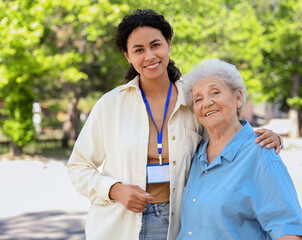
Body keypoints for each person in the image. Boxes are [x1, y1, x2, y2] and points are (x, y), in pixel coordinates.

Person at [67, 9, 282, 240]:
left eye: (155, 45)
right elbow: (78, 167)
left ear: (168, 43)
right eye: (138, 50)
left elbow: (226, 141)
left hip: (177, 224)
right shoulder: (110, 105)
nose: (149, 56)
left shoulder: (193, 100)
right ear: (127, 56)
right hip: (118, 224)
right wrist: (114, 189)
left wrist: (270, 139)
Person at [176, 58, 302, 240]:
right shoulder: (196, 153)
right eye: (198, 99)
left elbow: (289, 230)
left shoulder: (261, 153)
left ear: (238, 98)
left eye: (215, 92)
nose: (206, 103)